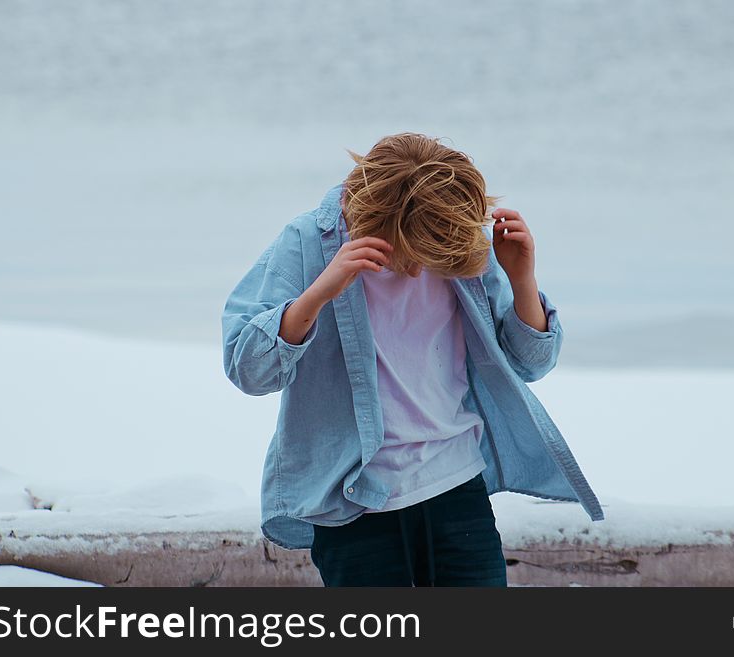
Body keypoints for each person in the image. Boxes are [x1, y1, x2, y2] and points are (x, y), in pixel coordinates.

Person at [221, 132, 604, 587]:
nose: (423, 269)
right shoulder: (307, 242)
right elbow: (247, 369)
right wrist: (320, 292)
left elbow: (530, 364)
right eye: (415, 252)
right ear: (380, 222)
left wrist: (522, 278)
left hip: (458, 489)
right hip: (355, 504)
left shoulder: (453, 237)